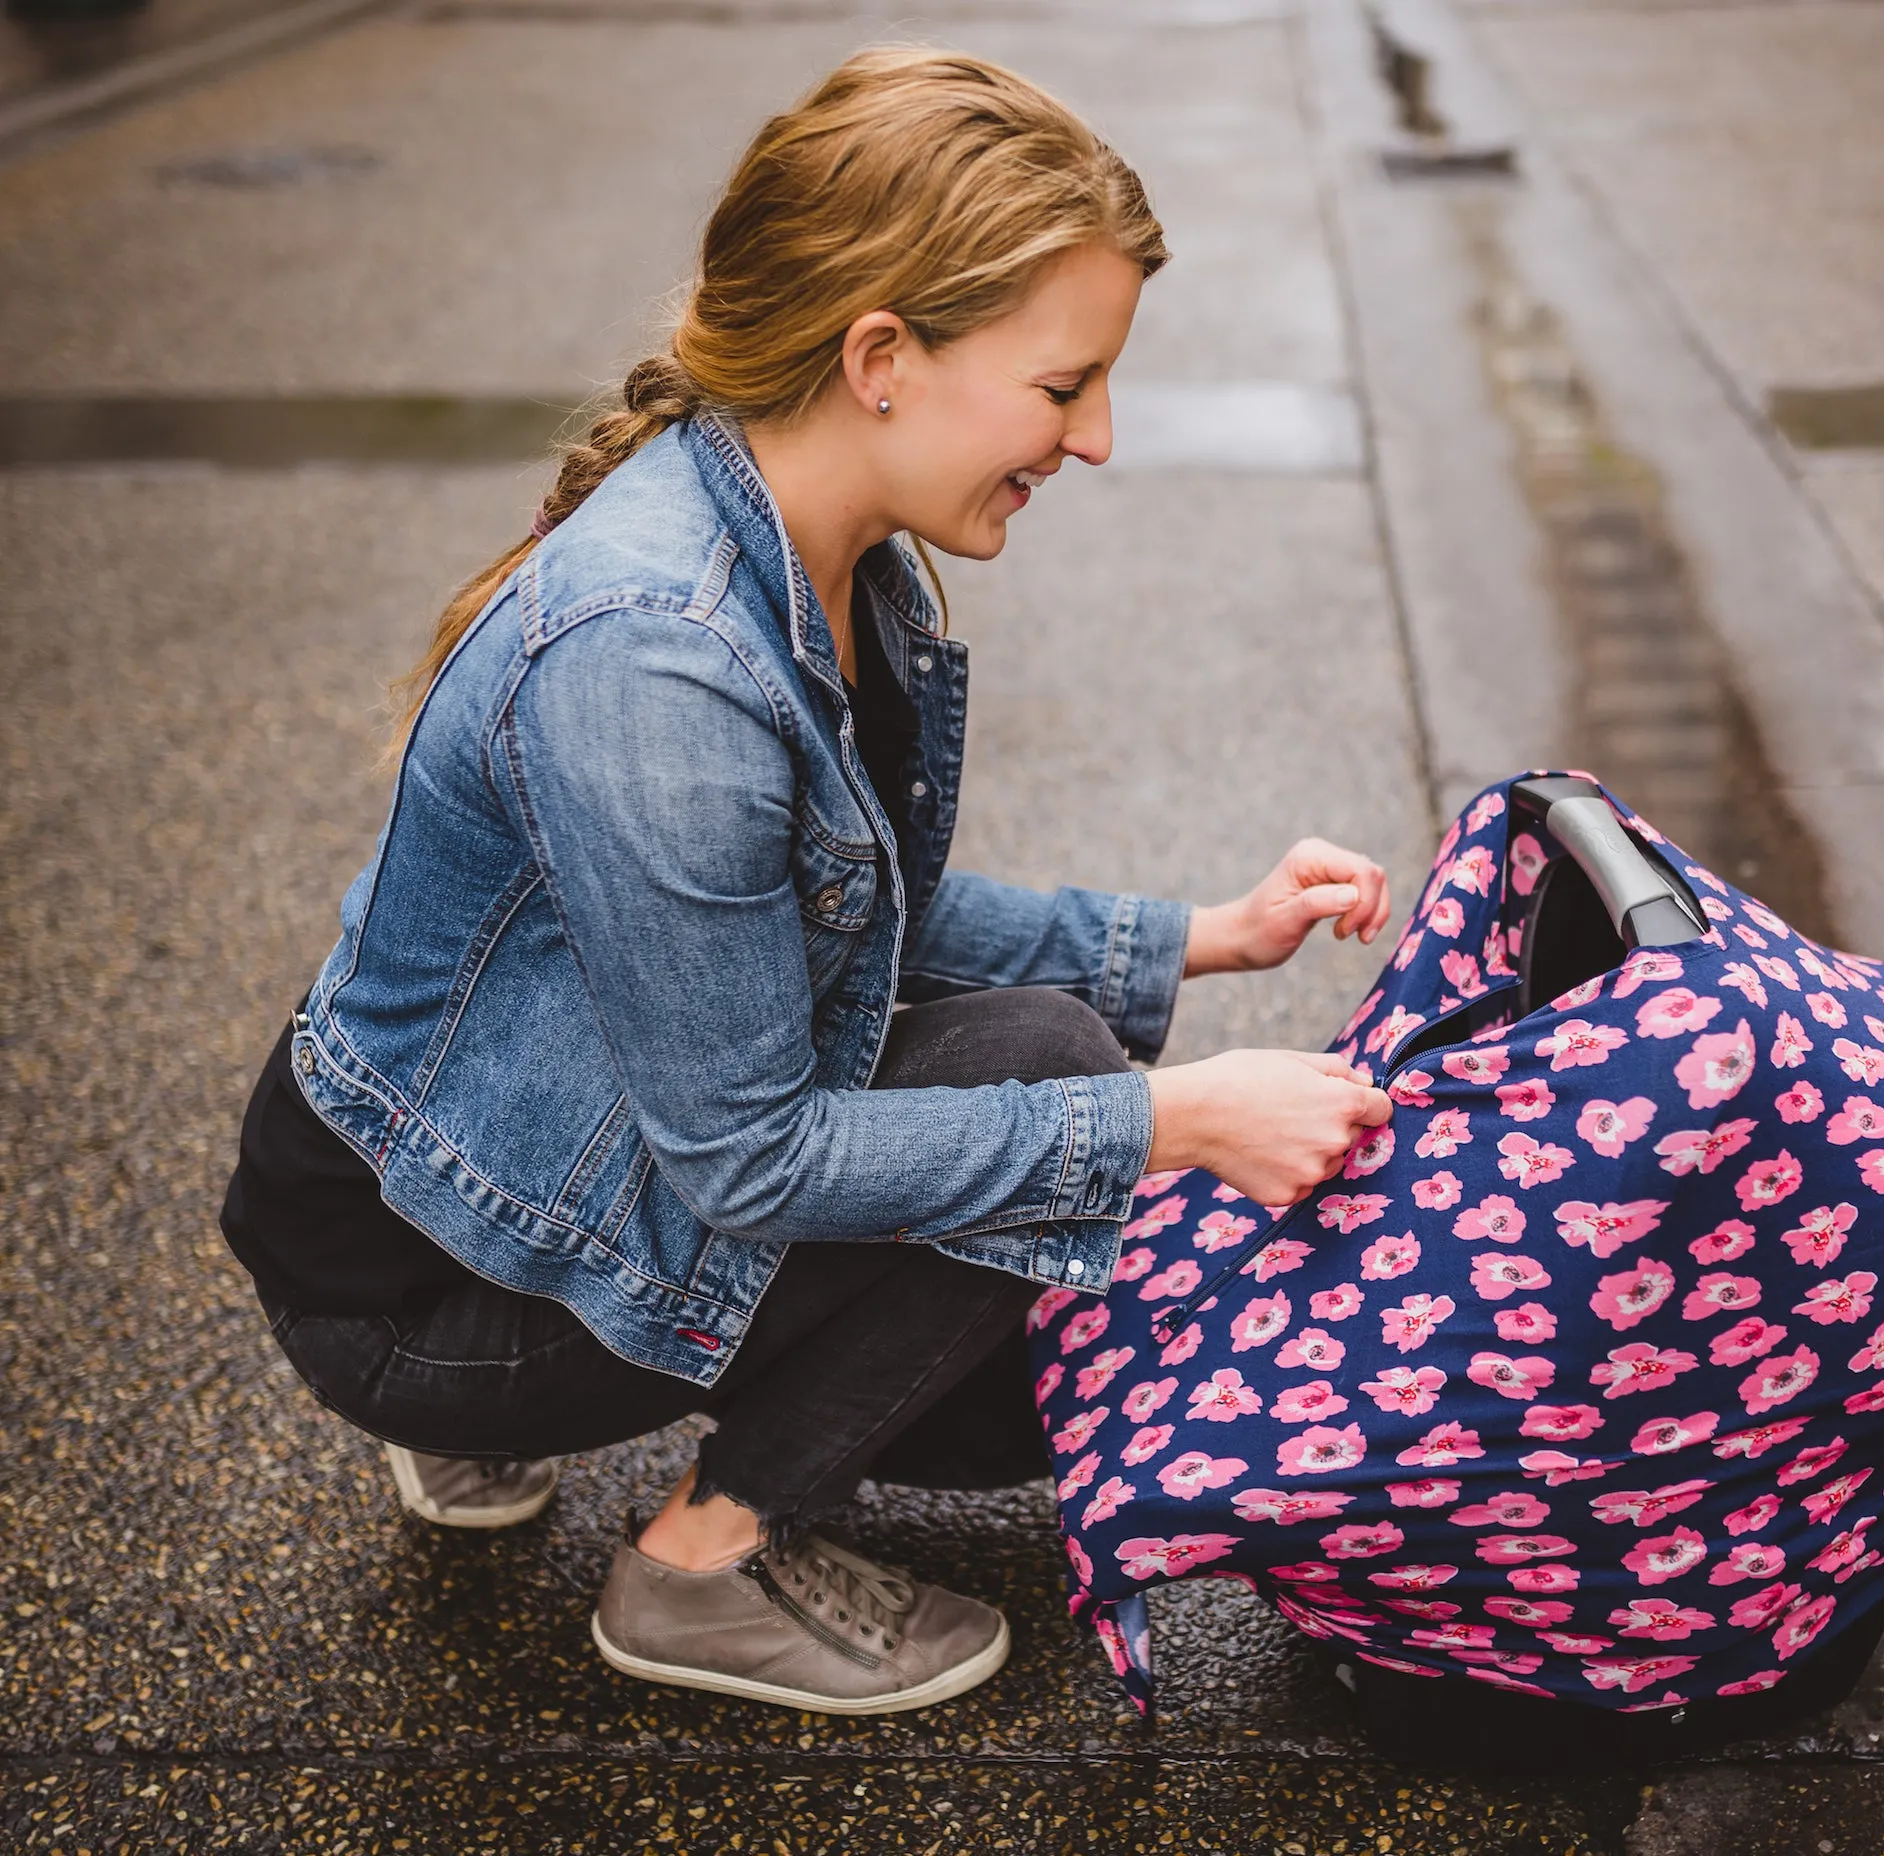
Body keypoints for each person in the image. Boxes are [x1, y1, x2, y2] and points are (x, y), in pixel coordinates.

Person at [218, 47, 1396, 1720]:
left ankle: (524, 1428)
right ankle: (700, 1566)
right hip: (412, 1291)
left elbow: (848, 917)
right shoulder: (660, 663)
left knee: (1034, 1295)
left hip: (448, 1169)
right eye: (1064, 386)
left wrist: (1209, 935)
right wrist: (1176, 1116)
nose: (1101, 437)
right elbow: (750, 1154)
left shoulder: (810, 538)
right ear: (880, 359)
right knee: (1053, 1103)